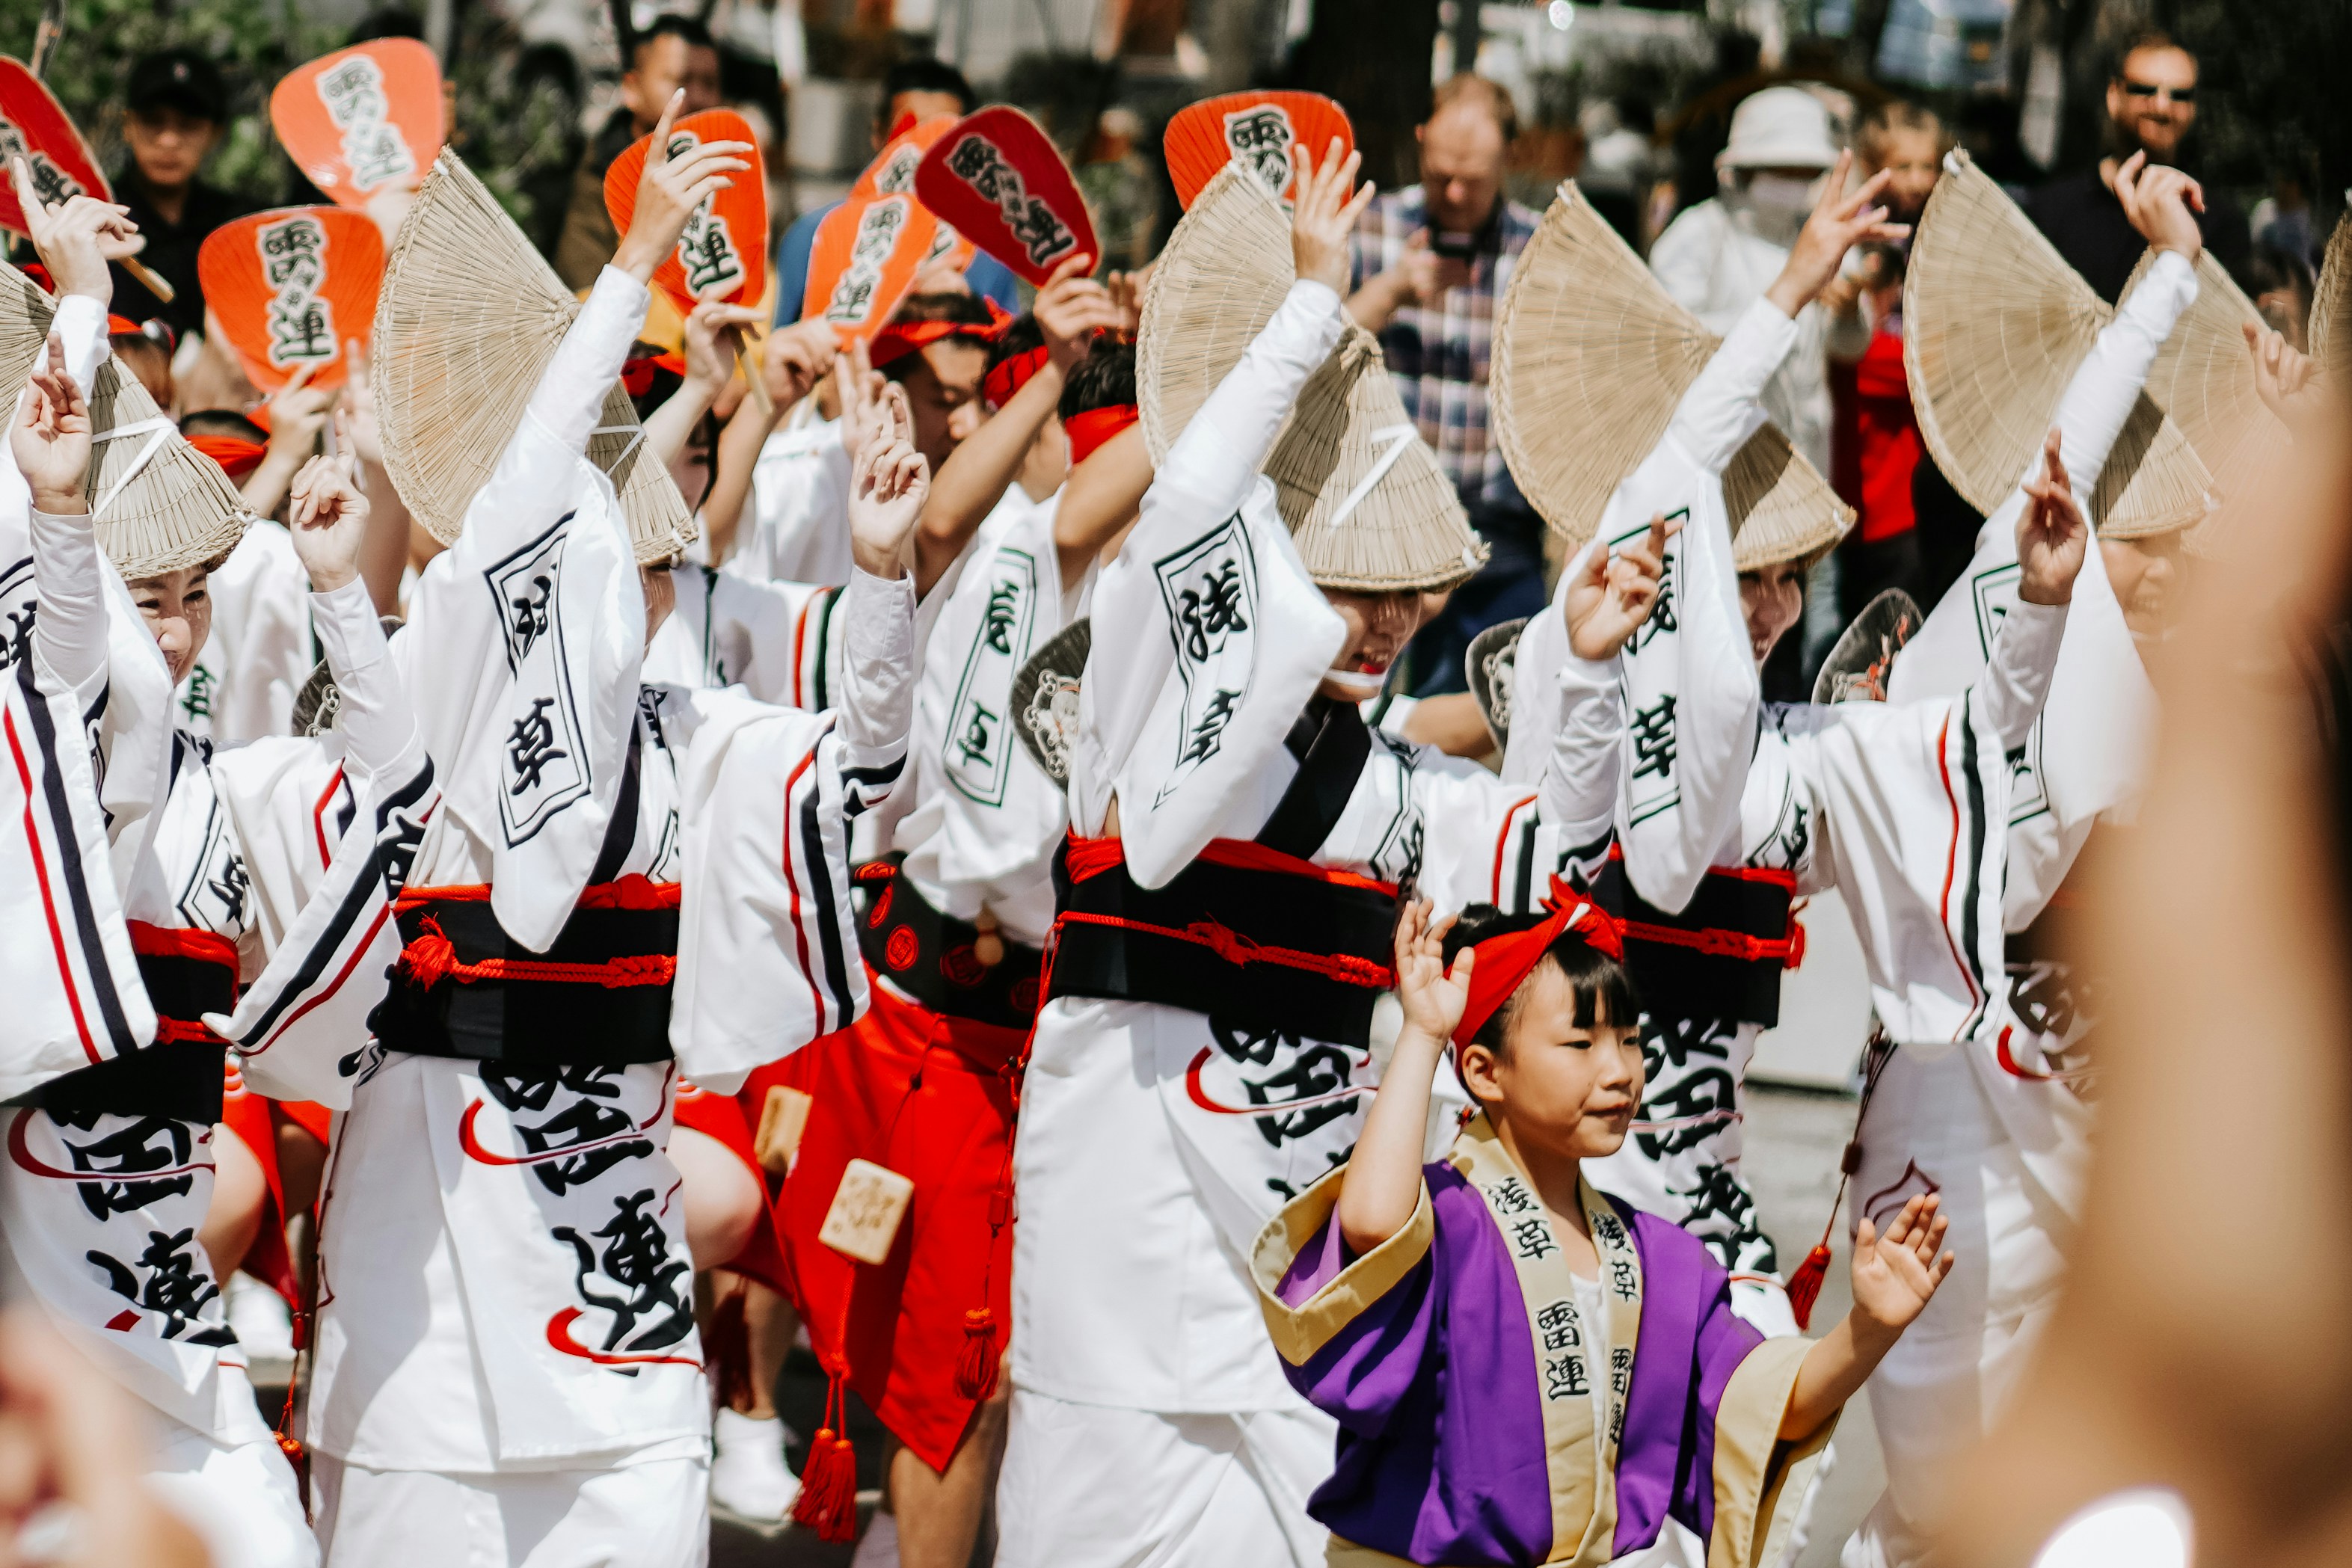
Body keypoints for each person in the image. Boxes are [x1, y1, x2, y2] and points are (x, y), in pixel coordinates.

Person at [196, 102, 918, 1568]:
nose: (615, 591)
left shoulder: (700, 742)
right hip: (426, 1248)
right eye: (583, 564)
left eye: (644, 565)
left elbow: (867, 787)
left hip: (620, 1270)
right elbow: (517, 526)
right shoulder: (448, 690)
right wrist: (634, 258)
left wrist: (888, 584)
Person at [992, 142, 1606, 1568]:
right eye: (1354, 585)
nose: (1385, 622)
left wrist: (1572, 666)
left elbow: (1552, 860)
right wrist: (1311, 314)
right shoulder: (1150, 716)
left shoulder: (1408, 792)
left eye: (1408, 594)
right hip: (1117, 1231)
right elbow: (1185, 519)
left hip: (1302, 1251)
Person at [0, 171, 384, 1568]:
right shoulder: (53, 786)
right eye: (141, 597)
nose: (173, 631)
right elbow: (70, 665)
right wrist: (84, 319)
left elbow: (390, 788)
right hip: (40, 1342)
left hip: (182, 1330)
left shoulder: (243, 785)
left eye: (192, 596)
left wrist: (342, 594)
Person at [1855, 156, 2220, 1568]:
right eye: (2154, 545)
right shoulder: (2004, 613)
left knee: (2103, 1483)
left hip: (2111, 1110)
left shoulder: (2184, 678)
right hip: (1956, 1088)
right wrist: (2162, 283)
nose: (2175, 570)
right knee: (1942, 1491)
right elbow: (2058, 462)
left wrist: (2178, 277)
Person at [764, 260, 1136, 1563]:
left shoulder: (1145, 586)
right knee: (946, 1372)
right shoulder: (988, 542)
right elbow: (940, 520)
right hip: (920, 1005)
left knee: (1004, 1366)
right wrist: (1057, 364)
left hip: (1053, 1023)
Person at [1249, 895, 1955, 1566]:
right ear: (1484, 1071)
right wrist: (1423, 1033)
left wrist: (1869, 1326)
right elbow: (1371, 1222)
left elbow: (1767, 1406)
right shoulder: (1442, 1222)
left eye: (1629, 1040)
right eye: (1580, 1042)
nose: (1620, 1071)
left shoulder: (1660, 1259)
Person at [1345, 74, 1544, 743]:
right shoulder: (1371, 226)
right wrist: (1389, 292)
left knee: (1510, 710)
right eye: (1440, 178)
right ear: (1420, 144)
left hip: (1498, 529)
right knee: (1369, 716)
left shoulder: (1539, 248)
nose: (1455, 196)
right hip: (1385, 525)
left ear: (1508, 161)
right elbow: (1305, 350)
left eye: (1473, 181)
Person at [1649, 84, 1847, 678]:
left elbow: (1842, 347)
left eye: (1803, 169)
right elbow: (1668, 339)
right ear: (1742, 167)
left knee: (1790, 643)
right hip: (1719, 479)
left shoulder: (1809, 234)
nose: (1791, 179)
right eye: (1778, 167)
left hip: (1804, 470)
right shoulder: (1699, 233)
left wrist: (1848, 305)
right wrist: (1781, 298)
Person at [771, 58, 1020, 326]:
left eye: (943, 138)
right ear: (878, 134)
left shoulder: (990, 252)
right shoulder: (815, 234)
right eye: (910, 135)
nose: (924, 152)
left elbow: (1007, 353)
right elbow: (786, 342)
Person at [1826, 102, 1950, 620]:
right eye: (1903, 167)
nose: (1918, 181)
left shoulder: (1943, 238)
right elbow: (1848, 355)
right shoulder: (1850, 236)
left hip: (1911, 477)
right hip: (1856, 460)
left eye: (1928, 166)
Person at [2023, 31, 2250, 302]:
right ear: (2114, 96)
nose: (2162, 106)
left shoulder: (2222, 226)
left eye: (2180, 95)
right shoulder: (2049, 211)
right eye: (2145, 90)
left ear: (2193, 109)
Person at [550, 13, 723, 290]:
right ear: (632, 89)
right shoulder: (602, 174)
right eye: (682, 80)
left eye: (710, 83)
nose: (699, 98)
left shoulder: (726, 169)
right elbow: (582, 295)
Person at [109, 49, 253, 339]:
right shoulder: (94, 217)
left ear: (215, 133)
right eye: (153, 120)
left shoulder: (241, 227)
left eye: (188, 125)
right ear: (128, 125)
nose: (169, 140)